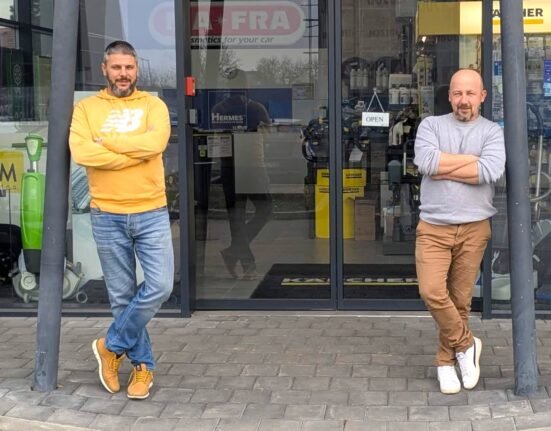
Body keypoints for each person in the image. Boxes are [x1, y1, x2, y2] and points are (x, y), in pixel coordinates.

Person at [69, 40, 173, 400]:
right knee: (122, 296)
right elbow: (82, 151)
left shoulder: (153, 105)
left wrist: (107, 142)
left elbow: (156, 144)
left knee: (160, 286)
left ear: (136, 69)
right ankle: (142, 367)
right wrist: (133, 152)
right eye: (116, 67)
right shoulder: (86, 108)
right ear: (105, 69)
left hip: (151, 210)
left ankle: (110, 346)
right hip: (107, 214)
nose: (123, 74)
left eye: (129, 67)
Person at [413, 68, 506, 395]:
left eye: (470, 93)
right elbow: (427, 163)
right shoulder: (431, 126)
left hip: (474, 228)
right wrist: (470, 162)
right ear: (449, 96)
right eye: (457, 93)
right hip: (433, 227)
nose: (463, 100)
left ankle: (445, 362)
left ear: (482, 96)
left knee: (460, 300)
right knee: (431, 292)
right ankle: (467, 344)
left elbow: (490, 170)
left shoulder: (492, 131)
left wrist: (445, 166)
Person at [213, 69, 273, 280]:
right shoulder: (255, 108)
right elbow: (268, 134)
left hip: (229, 167)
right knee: (265, 210)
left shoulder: (219, 109)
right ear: (246, 85)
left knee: (236, 217)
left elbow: (216, 136)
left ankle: (241, 259)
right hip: (253, 166)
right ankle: (240, 257)